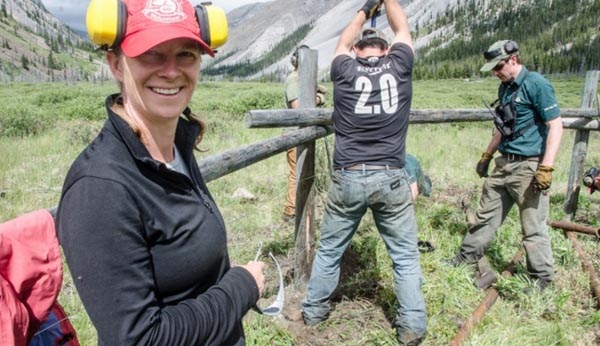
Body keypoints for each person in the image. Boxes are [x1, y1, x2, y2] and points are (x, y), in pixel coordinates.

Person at [56, 0, 265, 345]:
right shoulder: (99, 189)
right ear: (116, 64)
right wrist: (241, 287)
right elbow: (139, 339)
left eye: (186, 54)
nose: (171, 71)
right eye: (151, 53)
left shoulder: (173, 147)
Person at [300, 0, 427, 344]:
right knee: (404, 257)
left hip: (349, 174)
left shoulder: (344, 69)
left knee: (329, 250)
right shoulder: (399, 65)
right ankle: (412, 327)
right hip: (390, 173)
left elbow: (341, 42)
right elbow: (403, 29)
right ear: (386, 50)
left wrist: (364, 9)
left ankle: (313, 313)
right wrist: (386, 2)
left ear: (357, 51)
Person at [445, 40, 563, 292]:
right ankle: (467, 257)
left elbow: (556, 125)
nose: (496, 73)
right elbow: (503, 127)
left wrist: (547, 167)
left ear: (513, 59)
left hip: (529, 167)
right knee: (486, 216)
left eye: (498, 67)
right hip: (503, 164)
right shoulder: (505, 88)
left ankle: (541, 279)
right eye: (493, 69)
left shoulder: (537, 84)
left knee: (533, 225)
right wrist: (486, 155)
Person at [283, 45, 326, 221]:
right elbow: (298, 106)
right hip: (294, 133)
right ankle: (290, 211)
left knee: (303, 171)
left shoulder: (301, 79)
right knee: (296, 172)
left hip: (303, 132)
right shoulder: (293, 80)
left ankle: (299, 207)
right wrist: (320, 98)